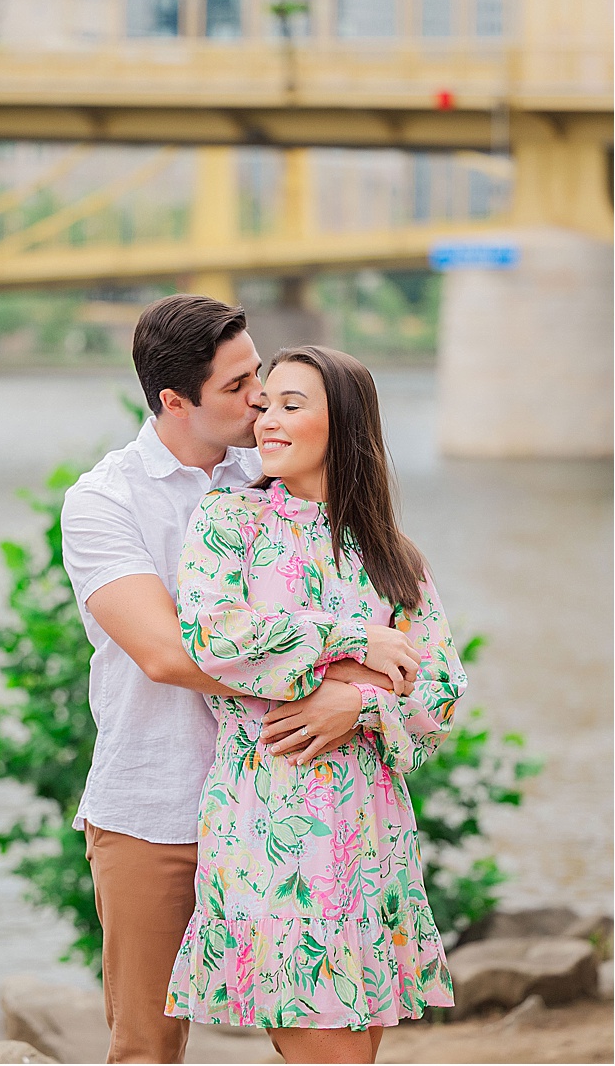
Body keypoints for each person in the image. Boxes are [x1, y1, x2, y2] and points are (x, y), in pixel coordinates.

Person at [62, 295, 407, 1064]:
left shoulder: (282, 469)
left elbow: (392, 614)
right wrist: (332, 680)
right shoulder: (104, 501)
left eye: (261, 375)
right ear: (173, 402)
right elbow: (166, 654)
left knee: (319, 1034)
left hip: (285, 803)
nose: (260, 398)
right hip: (157, 807)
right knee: (147, 1047)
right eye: (237, 386)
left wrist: (365, 700)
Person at [164, 345, 465, 1064]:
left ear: (346, 424)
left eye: (291, 405)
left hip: (372, 831)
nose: (266, 419)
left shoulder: (393, 554)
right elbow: (213, 638)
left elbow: (442, 691)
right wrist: (355, 640)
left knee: (355, 1052)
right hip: (270, 820)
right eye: (264, 404)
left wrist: (358, 705)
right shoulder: (229, 521)